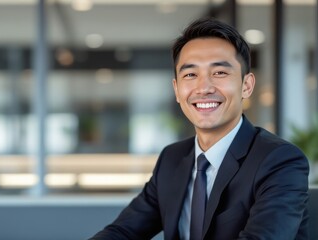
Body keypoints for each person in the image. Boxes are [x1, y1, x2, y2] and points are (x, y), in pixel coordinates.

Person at [90, 18, 309, 240]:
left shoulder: (279, 160)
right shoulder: (172, 159)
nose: (203, 88)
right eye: (190, 75)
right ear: (176, 90)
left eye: (220, 73)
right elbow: (123, 231)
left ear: (247, 85)